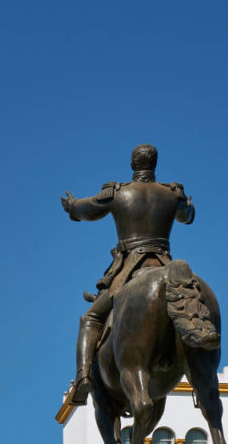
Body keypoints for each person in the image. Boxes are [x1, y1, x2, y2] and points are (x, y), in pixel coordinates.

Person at [60, 144, 194, 405]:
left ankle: (84, 378)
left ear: (133, 165)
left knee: (91, 318)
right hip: (165, 265)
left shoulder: (118, 192)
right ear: (154, 164)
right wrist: (185, 202)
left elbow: (88, 209)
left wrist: (73, 206)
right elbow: (187, 216)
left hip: (128, 269)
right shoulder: (172, 193)